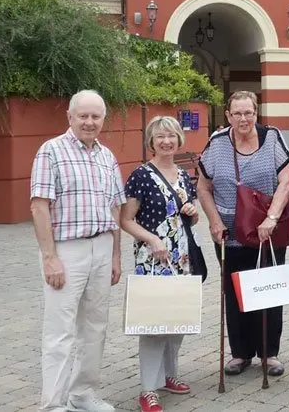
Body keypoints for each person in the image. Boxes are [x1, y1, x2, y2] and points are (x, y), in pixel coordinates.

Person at [30, 90, 125, 412]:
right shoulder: (51, 151)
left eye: (95, 116)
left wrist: (115, 256)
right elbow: (40, 206)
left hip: (102, 246)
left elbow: (115, 210)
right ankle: (53, 403)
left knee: (95, 328)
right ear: (70, 117)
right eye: (82, 116)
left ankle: (82, 394)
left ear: (103, 119)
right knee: (60, 332)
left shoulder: (107, 156)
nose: (89, 122)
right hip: (67, 251)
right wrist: (49, 258)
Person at [196, 91, 289, 377]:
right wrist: (214, 221)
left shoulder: (271, 137)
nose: (243, 119)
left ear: (256, 113)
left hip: (267, 230)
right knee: (235, 289)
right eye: (237, 113)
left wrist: (272, 217)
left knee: (268, 288)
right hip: (229, 231)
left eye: (248, 113)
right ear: (228, 116)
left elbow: (286, 179)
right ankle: (240, 353)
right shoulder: (217, 144)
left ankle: (269, 353)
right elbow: (203, 187)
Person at [120, 116, 202, 412]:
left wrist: (193, 213)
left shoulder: (182, 174)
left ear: (179, 139)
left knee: (176, 320)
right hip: (152, 259)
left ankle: (169, 375)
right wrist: (153, 240)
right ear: (151, 142)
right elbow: (126, 220)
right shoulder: (141, 175)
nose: (166, 141)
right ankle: (147, 389)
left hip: (180, 257)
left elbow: (190, 219)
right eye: (160, 137)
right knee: (153, 323)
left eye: (171, 136)